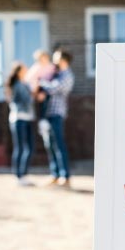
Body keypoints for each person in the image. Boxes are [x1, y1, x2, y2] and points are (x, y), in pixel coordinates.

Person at [38, 49, 74, 187]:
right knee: (50, 145)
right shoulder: (57, 74)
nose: (54, 61)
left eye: (56, 58)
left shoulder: (67, 75)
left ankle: (65, 176)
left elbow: (53, 89)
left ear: (63, 60)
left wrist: (41, 82)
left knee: (59, 144)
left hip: (57, 113)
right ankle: (55, 174)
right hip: (49, 113)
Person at [4, 62, 34, 185]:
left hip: (27, 118)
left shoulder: (24, 84)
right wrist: (35, 91)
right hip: (19, 119)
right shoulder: (18, 85)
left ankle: (24, 174)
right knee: (20, 147)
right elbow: (28, 100)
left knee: (29, 148)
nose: (27, 71)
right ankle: (18, 176)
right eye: (24, 69)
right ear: (19, 72)